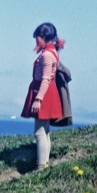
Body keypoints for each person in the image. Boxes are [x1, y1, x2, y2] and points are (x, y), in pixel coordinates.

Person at [21, 22, 65, 170]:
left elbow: (46, 79)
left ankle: (41, 166)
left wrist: (38, 99)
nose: (36, 41)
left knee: (39, 132)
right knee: (45, 131)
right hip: (49, 92)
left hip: (43, 93)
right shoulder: (53, 53)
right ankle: (44, 163)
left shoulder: (46, 55)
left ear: (43, 37)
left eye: (37, 37)